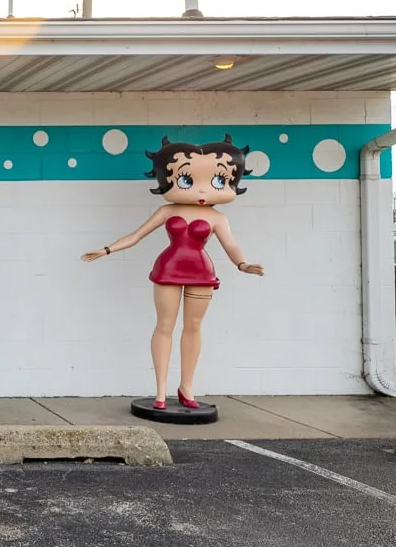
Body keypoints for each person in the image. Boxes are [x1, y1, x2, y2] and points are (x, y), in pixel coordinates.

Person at [81, 135, 264, 410]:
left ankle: (186, 386)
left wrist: (243, 264)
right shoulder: (167, 210)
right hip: (168, 270)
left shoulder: (217, 218)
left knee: (193, 327)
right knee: (164, 326)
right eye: (188, 181)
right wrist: (107, 250)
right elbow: (137, 235)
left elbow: (231, 245)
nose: (202, 191)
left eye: (218, 181)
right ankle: (161, 389)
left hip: (201, 274)